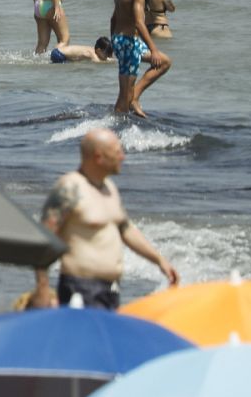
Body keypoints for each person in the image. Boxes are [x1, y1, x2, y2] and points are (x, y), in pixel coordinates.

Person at [32, 128, 179, 310]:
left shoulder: (109, 189)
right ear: (98, 157)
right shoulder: (70, 188)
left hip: (111, 289)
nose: (123, 157)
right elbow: (44, 239)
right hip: (79, 288)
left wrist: (159, 260)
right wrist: (42, 288)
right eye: (117, 152)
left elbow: (125, 229)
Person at [111, 0, 172, 118]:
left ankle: (134, 98)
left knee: (165, 62)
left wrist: (113, 42)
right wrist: (154, 50)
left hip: (123, 40)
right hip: (128, 43)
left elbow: (113, 18)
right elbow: (139, 22)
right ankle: (117, 124)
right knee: (124, 94)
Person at [49, 38, 114, 63]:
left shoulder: (94, 50)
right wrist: (111, 62)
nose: (107, 57)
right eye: (106, 54)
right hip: (58, 55)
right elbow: (99, 62)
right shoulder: (91, 53)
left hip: (58, 52)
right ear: (99, 50)